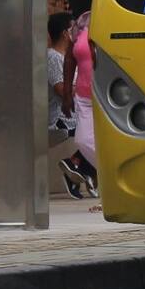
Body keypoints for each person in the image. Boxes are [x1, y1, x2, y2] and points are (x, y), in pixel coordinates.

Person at [47, 12, 92, 199]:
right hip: (61, 119)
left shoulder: (71, 55)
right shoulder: (52, 57)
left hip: (76, 114)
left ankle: (77, 167)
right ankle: (76, 165)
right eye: (74, 28)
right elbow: (60, 88)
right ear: (66, 33)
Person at [61, 12, 98, 175]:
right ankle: (113, 174)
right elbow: (69, 59)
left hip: (107, 98)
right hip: (84, 98)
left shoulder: (114, 22)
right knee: (82, 140)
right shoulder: (82, 22)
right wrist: (67, 93)